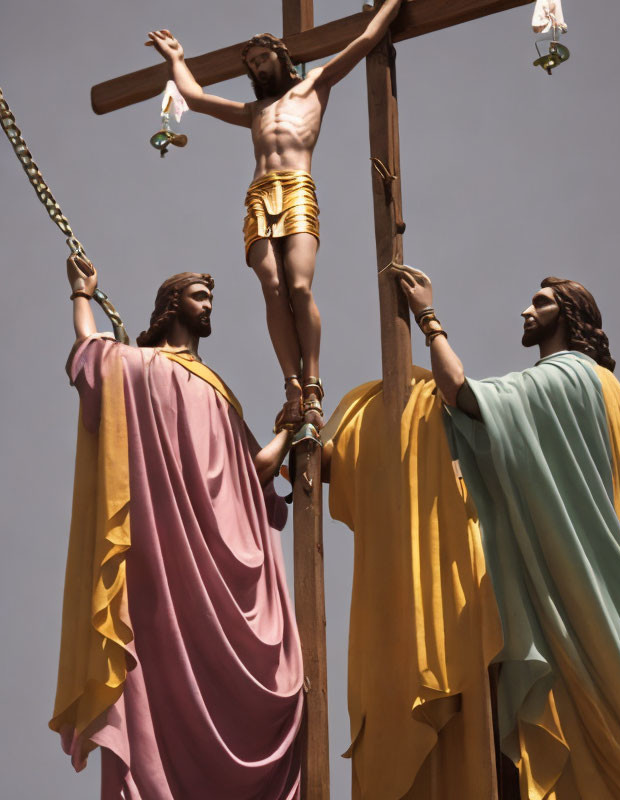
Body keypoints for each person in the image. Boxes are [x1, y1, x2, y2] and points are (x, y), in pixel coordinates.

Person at [398, 268, 620, 799]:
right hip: (611, 587)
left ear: (568, 315)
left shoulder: (561, 378)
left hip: (578, 594)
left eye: (540, 303)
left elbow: (459, 392)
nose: (527, 312)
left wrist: (428, 318)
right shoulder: (611, 391)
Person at [50, 255, 304, 799]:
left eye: (209, 298)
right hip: (166, 559)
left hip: (228, 557)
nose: (208, 304)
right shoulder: (138, 367)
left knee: (286, 689)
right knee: (154, 677)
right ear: (171, 306)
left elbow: (251, 474)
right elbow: (91, 359)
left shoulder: (220, 393)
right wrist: (81, 293)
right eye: (197, 296)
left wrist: (290, 429)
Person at [146, 0, 403, 430]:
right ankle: (292, 385)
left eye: (262, 58)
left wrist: (391, 5)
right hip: (259, 195)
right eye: (251, 64)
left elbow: (364, 40)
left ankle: (313, 381)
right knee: (272, 286)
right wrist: (176, 59)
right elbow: (195, 97)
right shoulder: (254, 113)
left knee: (299, 285)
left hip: (297, 188)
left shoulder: (316, 85)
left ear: (281, 56)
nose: (257, 67)